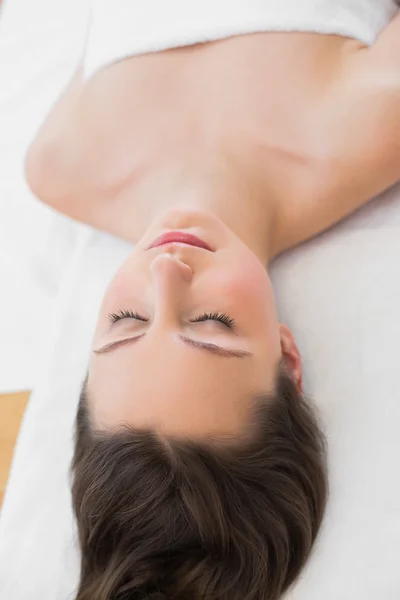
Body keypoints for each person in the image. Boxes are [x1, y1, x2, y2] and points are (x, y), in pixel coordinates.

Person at [25, 3, 399, 599]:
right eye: (210, 322)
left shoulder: (59, 164)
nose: (166, 273)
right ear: (286, 357)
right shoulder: (374, 123)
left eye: (126, 321)